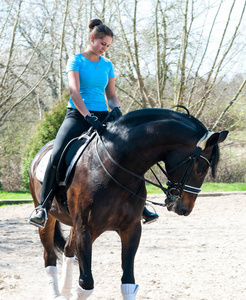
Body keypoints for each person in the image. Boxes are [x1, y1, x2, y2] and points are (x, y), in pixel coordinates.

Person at [29, 19, 158, 228]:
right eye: (102, 44)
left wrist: (116, 110)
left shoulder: (107, 65)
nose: (104, 48)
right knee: (57, 153)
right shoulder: (76, 61)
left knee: (130, 152)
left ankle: (141, 206)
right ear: (92, 38)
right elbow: (74, 92)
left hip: (104, 116)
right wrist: (88, 116)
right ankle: (42, 207)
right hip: (77, 115)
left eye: (108, 46)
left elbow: (112, 95)